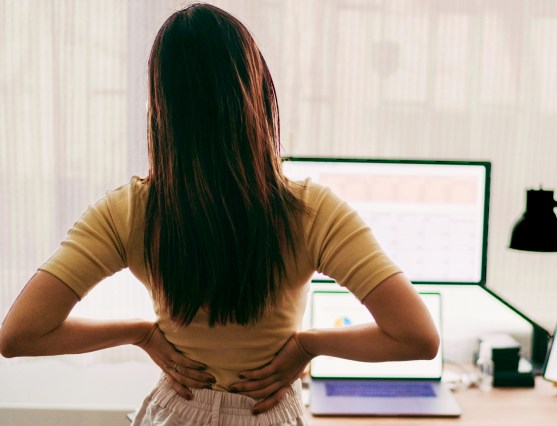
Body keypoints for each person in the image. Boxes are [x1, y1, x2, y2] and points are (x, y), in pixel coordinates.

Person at [0, 3, 439, 425]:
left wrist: (142, 333)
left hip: (178, 412)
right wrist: (306, 346)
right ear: (257, 90)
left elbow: (19, 335)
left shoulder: (126, 213)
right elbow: (417, 338)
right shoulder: (312, 211)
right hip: (267, 414)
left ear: (162, 106)